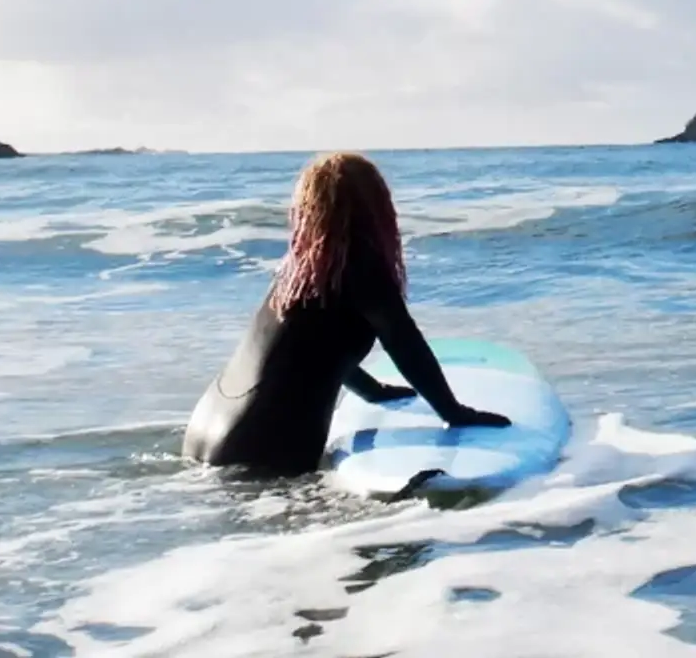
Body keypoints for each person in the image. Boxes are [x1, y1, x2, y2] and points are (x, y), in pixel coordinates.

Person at [182, 152, 509, 475]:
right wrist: (453, 412)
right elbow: (404, 344)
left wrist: (373, 391)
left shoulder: (299, 271)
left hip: (208, 427)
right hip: (257, 444)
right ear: (376, 207)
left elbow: (313, 346)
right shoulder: (361, 266)